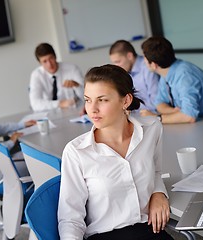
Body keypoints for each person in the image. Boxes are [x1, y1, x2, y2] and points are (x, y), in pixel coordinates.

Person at [58, 64, 173, 240]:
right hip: (105, 235)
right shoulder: (76, 152)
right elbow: (70, 219)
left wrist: (158, 193)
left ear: (125, 101)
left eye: (102, 100)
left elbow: (155, 170)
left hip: (148, 230)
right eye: (88, 99)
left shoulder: (152, 129)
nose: (92, 109)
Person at [140, 36, 203, 124]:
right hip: (200, 123)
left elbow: (189, 116)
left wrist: (157, 118)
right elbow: (159, 103)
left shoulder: (185, 75)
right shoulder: (166, 74)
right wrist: (174, 112)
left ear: (154, 64)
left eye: (144, 58)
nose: (143, 61)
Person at [29, 43, 84, 112]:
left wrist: (77, 85)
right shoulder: (36, 75)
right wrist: (59, 104)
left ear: (55, 56)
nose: (49, 64)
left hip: (75, 111)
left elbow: (87, 97)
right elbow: (35, 104)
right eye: (45, 61)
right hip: (50, 113)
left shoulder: (72, 69)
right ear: (40, 63)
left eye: (51, 58)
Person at [109, 40, 159, 113]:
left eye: (118, 62)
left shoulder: (148, 67)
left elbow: (157, 103)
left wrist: (129, 106)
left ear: (129, 56)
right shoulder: (126, 70)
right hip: (138, 114)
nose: (116, 66)